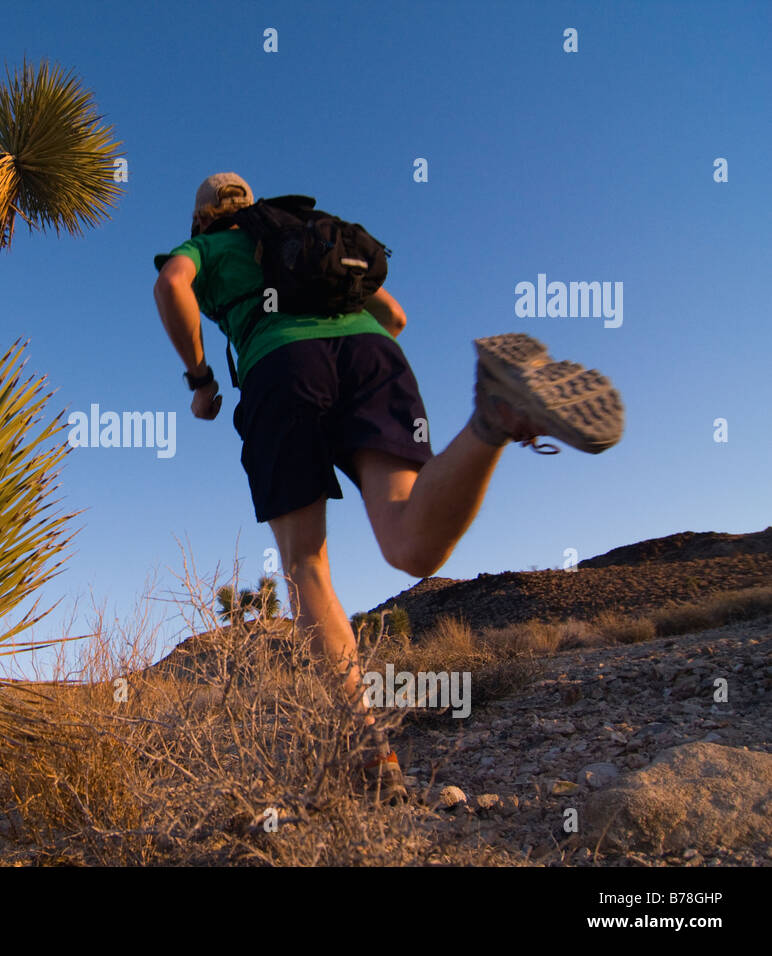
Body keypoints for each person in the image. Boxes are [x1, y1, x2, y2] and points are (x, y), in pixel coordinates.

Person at [153, 172, 624, 799]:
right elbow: (395, 314)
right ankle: (497, 416)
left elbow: (170, 285)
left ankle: (368, 747)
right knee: (411, 547)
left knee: (305, 565)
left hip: (281, 367)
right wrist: (354, 369)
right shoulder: (300, 234)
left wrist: (201, 379)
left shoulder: (211, 246)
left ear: (201, 217)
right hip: (374, 354)